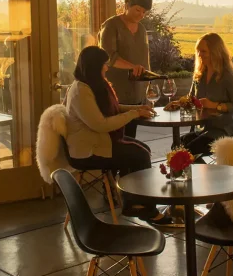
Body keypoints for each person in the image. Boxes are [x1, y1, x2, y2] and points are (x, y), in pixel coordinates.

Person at [64, 46, 163, 221]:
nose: (107, 67)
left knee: (140, 148)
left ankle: (132, 202)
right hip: (88, 150)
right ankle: (141, 206)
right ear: (95, 66)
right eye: (104, 64)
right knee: (139, 154)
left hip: (98, 141)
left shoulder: (90, 85)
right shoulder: (81, 91)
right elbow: (101, 125)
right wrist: (134, 114)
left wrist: (137, 108)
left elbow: (113, 109)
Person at [100, 0, 152, 139]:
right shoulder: (111, 26)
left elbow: (144, 59)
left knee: (131, 138)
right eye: (137, 10)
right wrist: (131, 66)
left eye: (144, 12)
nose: (141, 15)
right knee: (115, 139)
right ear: (127, 5)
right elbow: (108, 56)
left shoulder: (141, 30)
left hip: (137, 93)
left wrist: (149, 86)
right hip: (116, 92)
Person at [184, 33, 233, 159]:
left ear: (215, 52)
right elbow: (190, 99)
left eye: (203, 51)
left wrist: (216, 106)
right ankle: (198, 175)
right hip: (202, 129)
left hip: (222, 131)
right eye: (198, 51)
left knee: (189, 150)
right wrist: (179, 103)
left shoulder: (228, 77)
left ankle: (201, 175)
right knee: (178, 145)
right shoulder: (199, 75)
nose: (199, 54)